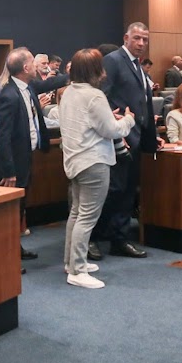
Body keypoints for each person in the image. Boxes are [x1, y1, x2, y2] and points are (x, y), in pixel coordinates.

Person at [59, 48, 135, 289]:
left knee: (77, 213)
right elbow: (113, 131)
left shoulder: (68, 92)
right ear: (94, 70)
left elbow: (88, 122)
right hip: (93, 162)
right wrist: (128, 119)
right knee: (87, 217)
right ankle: (78, 270)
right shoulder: (94, 96)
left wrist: (108, 118)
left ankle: (71, 262)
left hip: (74, 160)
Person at [93, 22, 161, 260]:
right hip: (118, 138)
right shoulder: (113, 60)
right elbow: (102, 97)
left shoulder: (138, 66)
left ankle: (119, 239)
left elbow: (142, 102)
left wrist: (151, 137)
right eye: (137, 38)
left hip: (136, 137)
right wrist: (117, 128)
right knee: (111, 191)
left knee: (127, 192)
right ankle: (92, 237)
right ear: (126, 37)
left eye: (145, 39)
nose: (141, 43)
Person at [0, 48, 52, 261]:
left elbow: (49, 84)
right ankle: (7, 256)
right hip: (13, 165)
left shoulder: (27, 87)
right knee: (10, 211)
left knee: (20, 207)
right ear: (26, 68)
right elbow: (3, 137)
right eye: (33, 62)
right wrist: (8, 171)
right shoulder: (8, 94)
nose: (37, 66)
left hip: (25, 157)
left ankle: (15, 248)